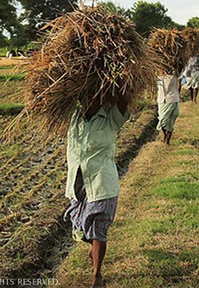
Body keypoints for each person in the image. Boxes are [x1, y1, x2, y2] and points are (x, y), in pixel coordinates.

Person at [63, 91, 130, 288]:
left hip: (102, 183)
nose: (88, 102)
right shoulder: (74, 118)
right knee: (81, 228)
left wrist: (120, 83)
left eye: (92, 98)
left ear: (101, 99)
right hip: (77, 182)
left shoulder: (110, 119)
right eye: (84, 98)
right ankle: (93, 245)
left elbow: (125, 100)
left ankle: (97, 276)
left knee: (98, 227)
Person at [157, 68, 180, 145]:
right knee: (162, 120)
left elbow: (180, 67)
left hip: (173, 99)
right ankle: (165, 135)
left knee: (171, 121)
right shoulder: (159, 76)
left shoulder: (175, 74)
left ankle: (167, 140)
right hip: (162, 100)